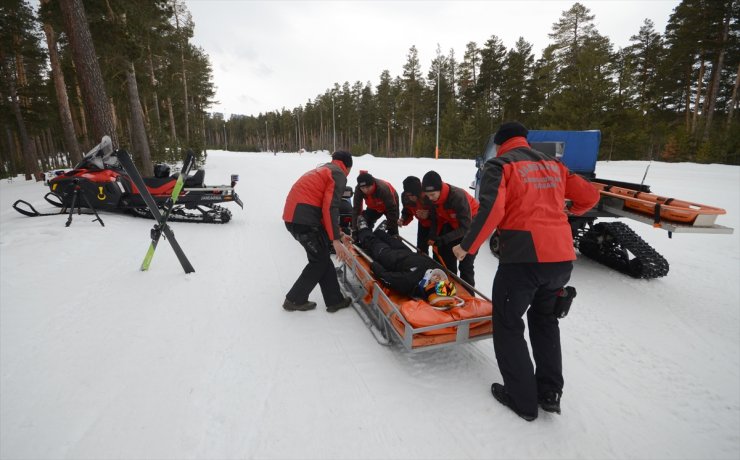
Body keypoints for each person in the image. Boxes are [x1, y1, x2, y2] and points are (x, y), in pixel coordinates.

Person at [452, 121, 600, 421]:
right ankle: (549, 393)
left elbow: (492, 209)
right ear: (524, 140)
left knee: (507, 324)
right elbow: (590, 197)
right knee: (546, 321)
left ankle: (523, 401)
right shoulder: (554, 165)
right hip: (560, 259)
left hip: (523, 259)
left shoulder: (500, 165)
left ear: (500, 143)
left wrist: (466, 246)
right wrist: (570, 213)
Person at [282, 151, 354, 312]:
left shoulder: (324, 170)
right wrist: (335, 240)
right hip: (303, 220)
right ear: (348, 166)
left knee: (321, 257)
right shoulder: (338, 174)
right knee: (319, 261)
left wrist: (339, 233)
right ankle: (294, 300)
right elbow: (330, 207)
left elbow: (322, 208)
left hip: (298, 217)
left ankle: (334, 300)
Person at [354, 221, 458, 308]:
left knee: (374, 244)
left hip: (390, 259)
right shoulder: (438, 270)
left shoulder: (409, 281)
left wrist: (374, 265)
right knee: (393, 240)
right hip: (408, 253)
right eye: (443, 280)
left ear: (428, 287)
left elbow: (386, 277)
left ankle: (364, 230)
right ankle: (380, 233)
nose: (439, 278)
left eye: (437, 282)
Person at [421, 170, 479, 287]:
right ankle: (448, 291)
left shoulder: (457, 196)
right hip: (453, 224)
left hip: (472, 226)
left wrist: (444, 239)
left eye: (432, 195)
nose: (430, 198)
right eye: (428, 195)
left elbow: (465, 227)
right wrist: (433, 235)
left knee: (465, 264)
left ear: (440, 189)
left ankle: (469, 297)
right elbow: (435, 219)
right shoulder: (431, 198)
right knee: (445, 258)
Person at [352, 171, 400, 236]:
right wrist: (355, 229)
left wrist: (391, 227)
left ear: (373, 184)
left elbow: (392, 209)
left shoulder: (383, 189)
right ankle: (368, 238)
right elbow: (356, 208)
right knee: (366, 220)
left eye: (368, 187)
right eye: (363, 188)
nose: (366, 190)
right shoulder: (358, 189)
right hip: (373, 205)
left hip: (389, 204)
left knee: (393, 224)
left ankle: (393, 236)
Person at [397, 176, 432, 256]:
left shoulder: (428, 196)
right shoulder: (406, 197)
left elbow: (440, 213)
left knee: (438, 251)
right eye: (408, 195)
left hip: (437, 225)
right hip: (423, 224)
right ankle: (422, 265)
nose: (410, 198)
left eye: (413, 195)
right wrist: (403, 219)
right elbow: (407, 211)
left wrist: (428, 214)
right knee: (421, 249)